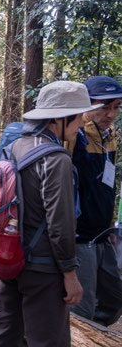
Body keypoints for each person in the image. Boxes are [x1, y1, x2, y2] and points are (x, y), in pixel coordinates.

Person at [0, 81, 101, 346]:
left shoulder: (15, 147)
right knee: (49, 340)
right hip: (43, 267)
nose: (81, 125)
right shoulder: (56, 159)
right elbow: (60, 224)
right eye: (79, 118)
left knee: (5, 333)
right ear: (61, 119)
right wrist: (70, 274)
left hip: (11, 257)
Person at [68, 76, 122, 326]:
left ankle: (95, 335)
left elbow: (108, 183)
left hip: (103, 233)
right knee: (83, 308)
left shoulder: (110, 135)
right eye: (105, 106)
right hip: (80, 236)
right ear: (86, 105)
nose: (111, 114)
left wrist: (111, 222)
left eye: (117, 107)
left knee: (113, 299)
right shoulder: (73, 136)